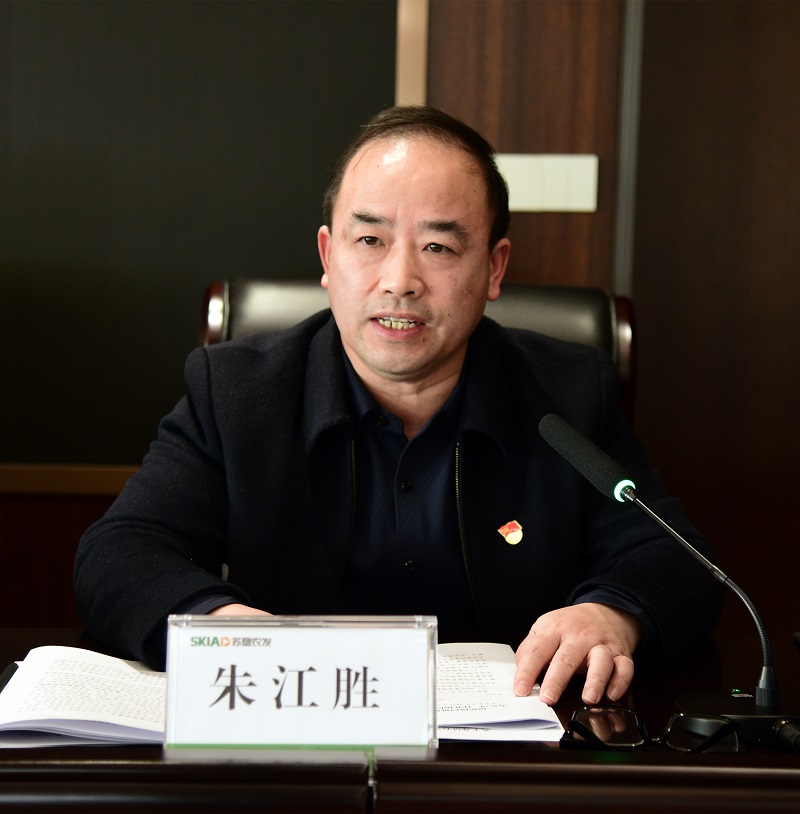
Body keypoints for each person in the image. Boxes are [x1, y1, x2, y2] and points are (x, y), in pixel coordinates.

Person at [74, 105, 722, 706]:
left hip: (502, 749)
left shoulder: (569, 395)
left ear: (494, 269)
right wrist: (228, 629)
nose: (400, 281)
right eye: (369, 241)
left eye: (438, 247)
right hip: (295, 733)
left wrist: (612, 613)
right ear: (328, 256)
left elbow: (675, 558)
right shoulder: (238, 393)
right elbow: (121, 552)